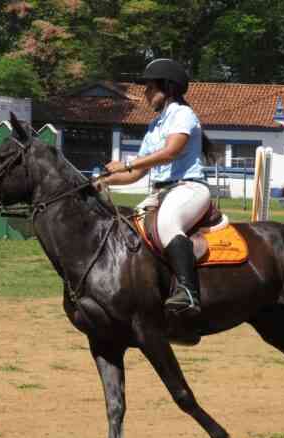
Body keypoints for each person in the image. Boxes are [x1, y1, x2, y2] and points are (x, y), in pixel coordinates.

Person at [98, 58, 212, 318]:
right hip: (161, 192)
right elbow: (137, 173)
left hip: (189, 188)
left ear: (168, 88)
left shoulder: (183, 115)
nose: (145, 93)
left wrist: (125, 163)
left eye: (150, 87)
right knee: (127, 230)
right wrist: (100, 182)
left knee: (168, 223)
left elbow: (171, 152)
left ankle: (189, 293)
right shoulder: (155, 126)